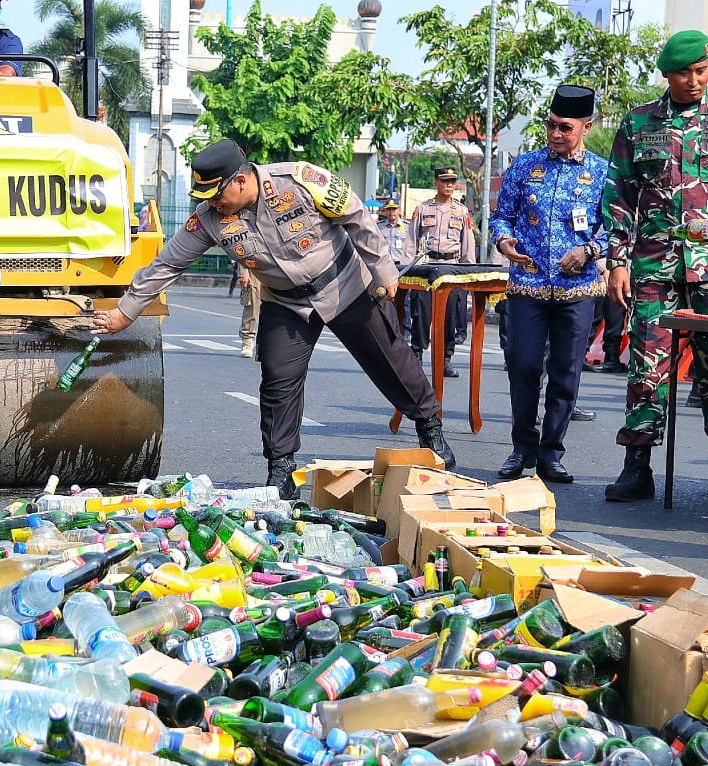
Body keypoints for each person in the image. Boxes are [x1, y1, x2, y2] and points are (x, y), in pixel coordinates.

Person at [90, 139, 458, 499]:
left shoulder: (300, 180)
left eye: (217, 195)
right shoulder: (210, 219)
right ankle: (280, 469)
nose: (214, 204)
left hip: (346, 283)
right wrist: (126, 312)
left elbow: (356, 215)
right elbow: (167, 263)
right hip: (286, 302)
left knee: (390, 360)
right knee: (279, 383)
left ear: (240, 179)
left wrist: (384, 270)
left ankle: (430, 428)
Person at [602, 30, 708, 503]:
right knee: (647, 364)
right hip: (654, 266)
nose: (694, 81)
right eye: (683, 73)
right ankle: (637, 465)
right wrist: (616, 262)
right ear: (666, 75)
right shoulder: (639, 125)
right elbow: (618, 198)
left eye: (701, 70)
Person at [490, 85, 608, 483]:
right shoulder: (524, 167)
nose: (557, 134)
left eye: (566, 128)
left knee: (565, 372)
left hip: (578, 288)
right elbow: (501, 216)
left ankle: (550, 454)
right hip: (528, 283)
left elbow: (616, 227)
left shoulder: (603, 174)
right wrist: (504, 241)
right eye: (552, 126)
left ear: (586, 128)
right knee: (522, 366)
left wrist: (589, 250)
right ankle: (522, 446)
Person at [409, 167, 477, 377]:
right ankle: (417, 353)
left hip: (452, 266)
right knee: (421, 313)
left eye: (452, 181)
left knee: (451, 316)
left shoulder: (461, 211)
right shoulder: (422, 209)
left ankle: (445, 359)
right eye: (444, 181)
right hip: (428, 265)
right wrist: (405, 269)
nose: (449, 185)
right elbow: (411, 240)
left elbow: (468, 244)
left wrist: (470, 274)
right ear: (435, 183)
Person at [377, 199, 415, 340]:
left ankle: (406, 330)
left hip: (402, 266)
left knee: (404, 299)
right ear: (385, 211)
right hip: (386, 266)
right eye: (389, 209)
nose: (392, 212)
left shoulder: (407, 226)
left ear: (399, 210)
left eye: (394, 209)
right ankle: (387, 329)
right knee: (384, 298)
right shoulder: (379, 227)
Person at [237, 263, 258, 359]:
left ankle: (269, 342)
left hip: (276, 271)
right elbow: (243, 251)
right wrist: (243, 273)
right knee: (251, 308)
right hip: (254, 269)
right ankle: (247, 341)